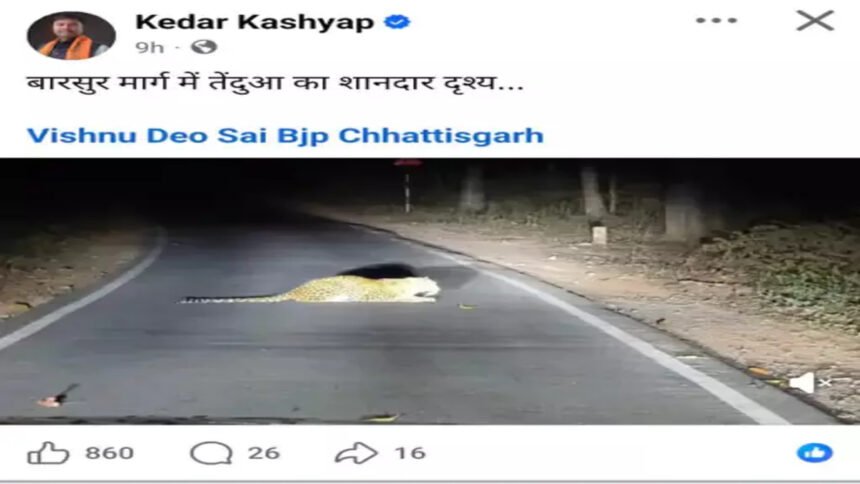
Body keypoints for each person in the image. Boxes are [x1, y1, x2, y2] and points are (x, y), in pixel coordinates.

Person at [37, 13, 110, 60]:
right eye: (61, 24)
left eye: (72, 25)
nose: (66, 28)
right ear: (53, 27)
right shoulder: (42, 48)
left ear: (82, 28)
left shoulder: (100, 49)